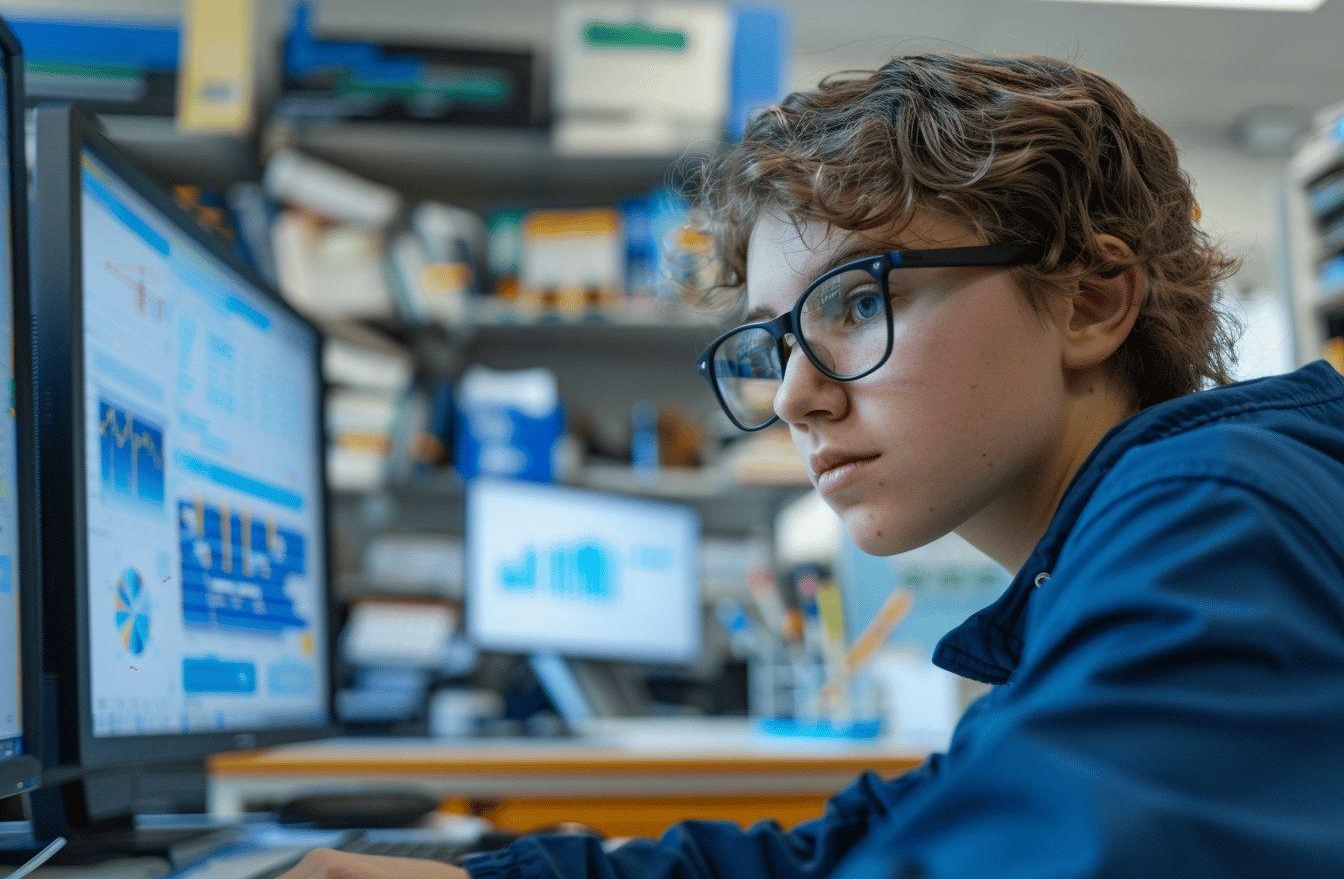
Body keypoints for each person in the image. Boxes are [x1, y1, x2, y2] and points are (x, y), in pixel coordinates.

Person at [280, 54, 1344, 879]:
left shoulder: (1214, 511)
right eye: (774, 340)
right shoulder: (1139, 547)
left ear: (1089, 300)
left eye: (858, 300)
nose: (794, 396)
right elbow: (879, 841)